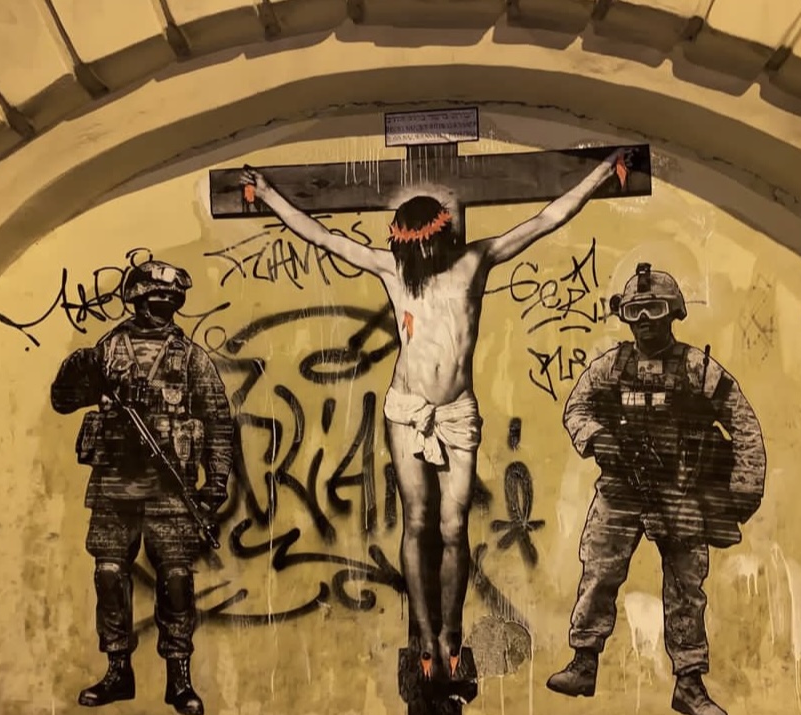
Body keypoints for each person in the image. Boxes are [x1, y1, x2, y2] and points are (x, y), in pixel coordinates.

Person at [240, 149, 627, 681]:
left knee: (453, 526)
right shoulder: (394, 269)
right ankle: (424, 635)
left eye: (426, 245)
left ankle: (450, 631)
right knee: (417, 521)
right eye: (412, 248)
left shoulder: (474, 261)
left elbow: (546, 219)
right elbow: (323, 238)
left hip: (456, 412)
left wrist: (602, 173)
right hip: (406, 410)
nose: (420, 255)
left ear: (441, 237)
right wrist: (267, 194)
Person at [547, 262, 766, 715]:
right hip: (621, 489)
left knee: (686, 588)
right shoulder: (612, 365)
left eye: (655, 309)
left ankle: (689, 683)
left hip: (680, 490)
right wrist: (597, 437)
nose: (644, 320)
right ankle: (584, 661)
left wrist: (744, 491)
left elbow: (743, 423)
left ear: (674, 313)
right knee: (599, 571)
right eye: (635, 311)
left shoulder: (697, 368)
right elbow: (577, 407)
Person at [51, 255, 233, 715]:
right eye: (156, 297)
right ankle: (118, 669)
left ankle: (179, 676)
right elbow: (63, 398)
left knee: (176, 580)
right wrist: (82, 374)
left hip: (171, 489)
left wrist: (215, 483)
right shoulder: (109, 351)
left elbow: (217, 421)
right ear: (137, 299)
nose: (163, 306)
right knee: (109, 575)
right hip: (114, 485)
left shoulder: (189, 357)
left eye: (171, 299)